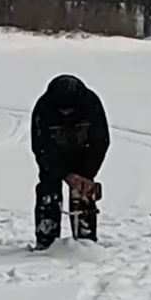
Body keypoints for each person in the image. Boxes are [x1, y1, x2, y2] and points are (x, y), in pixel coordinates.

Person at [31, 74, 109, 248]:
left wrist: (87, 174)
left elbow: (100, 142)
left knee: (83, 191)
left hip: (84, 156)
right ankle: (46, 240)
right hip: (54, 157)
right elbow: (41, 147)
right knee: (48, 193)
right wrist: (63, 173)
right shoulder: (43, 108)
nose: (66, 113)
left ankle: (85, 241)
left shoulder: (92, 105)